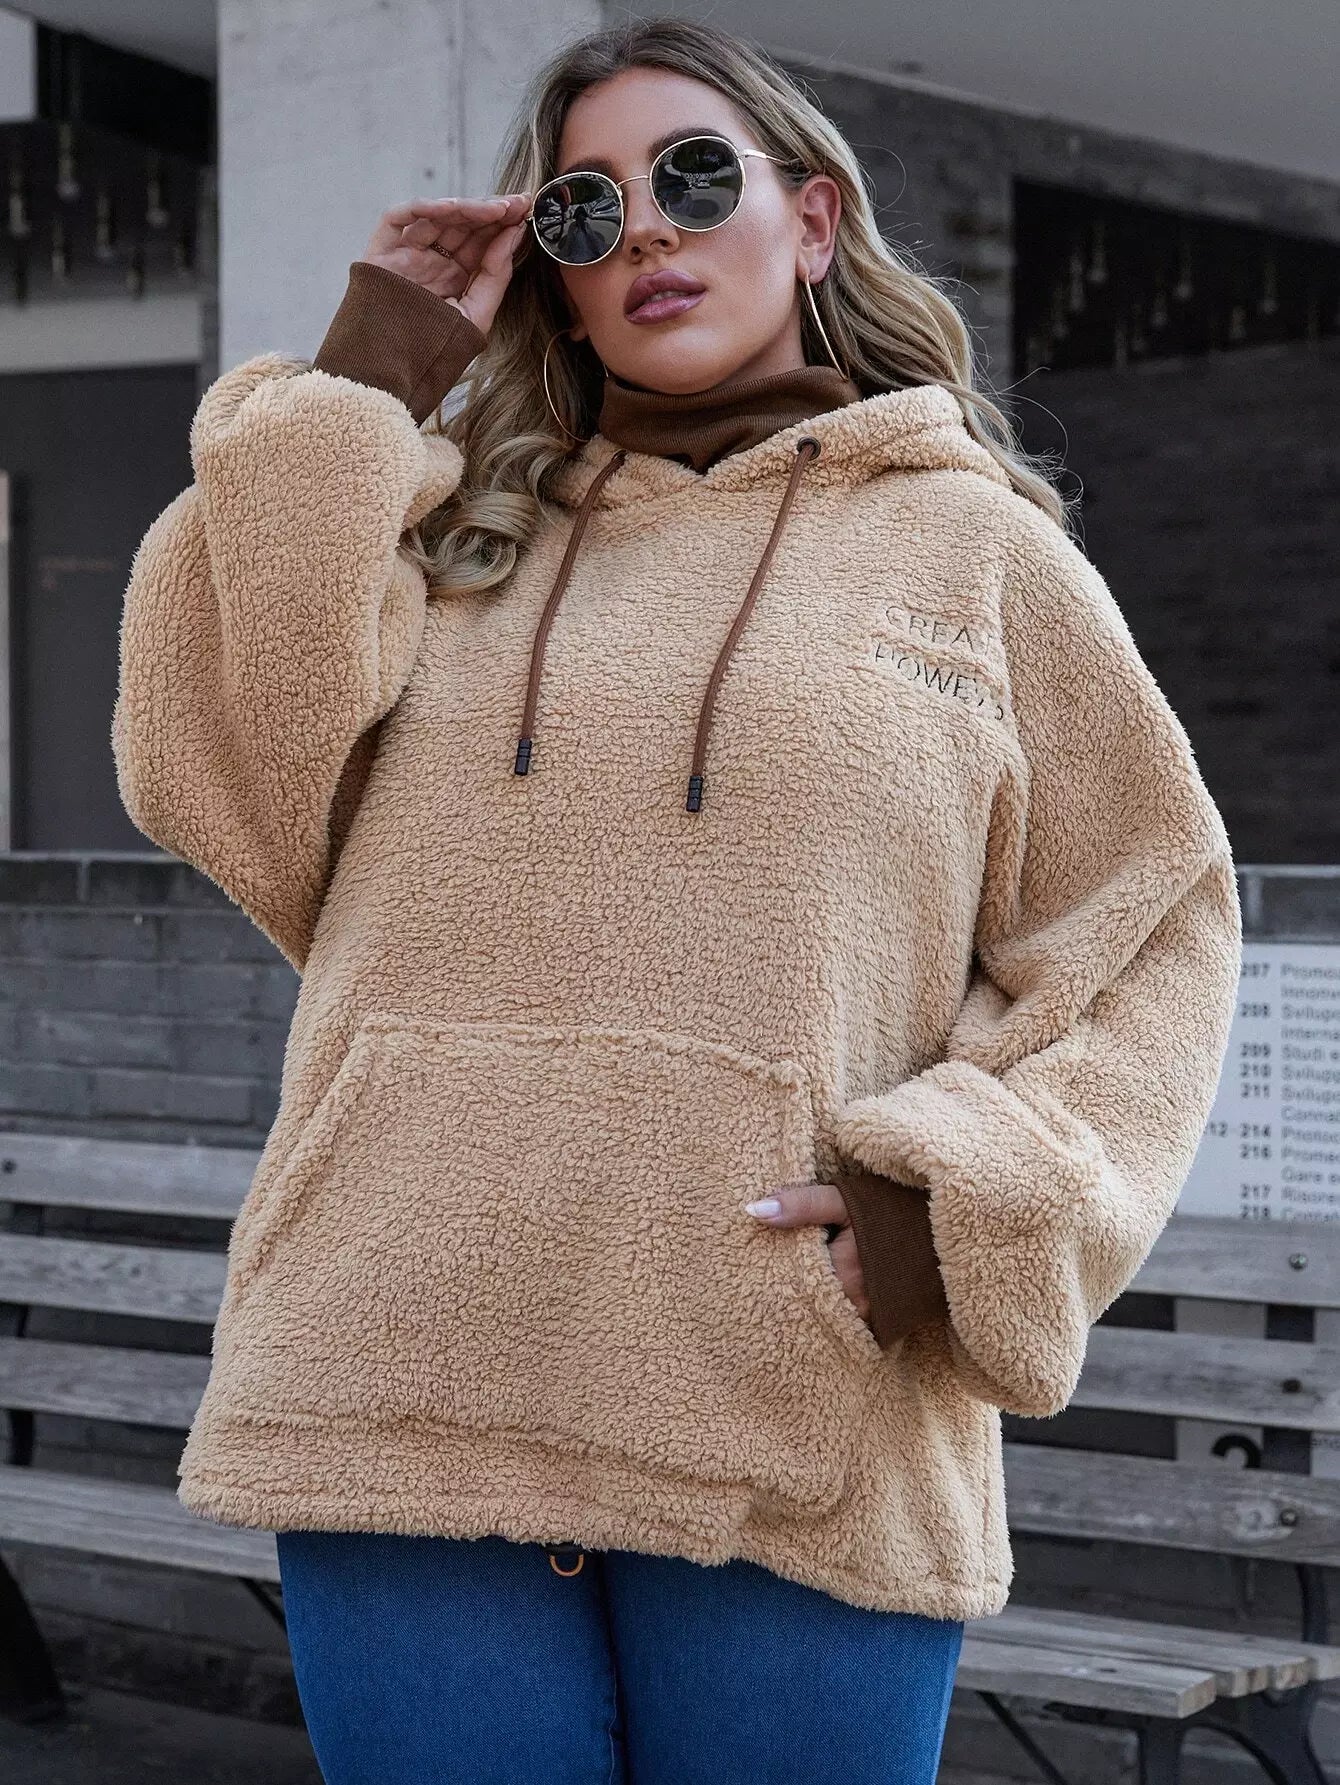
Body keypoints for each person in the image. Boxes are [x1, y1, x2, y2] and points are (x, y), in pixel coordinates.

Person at [110, 17, 1242, 1784]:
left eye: (694, 177)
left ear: (813, 217)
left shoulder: (982, 555)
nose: (643, 227)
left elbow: (1151, 928)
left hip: (790, 1390)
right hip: (400, 1360)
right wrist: (369, 378)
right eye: (584, 209)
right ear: (555, 283)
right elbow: (218, 770)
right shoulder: (450, 547)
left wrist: (955, 1201)